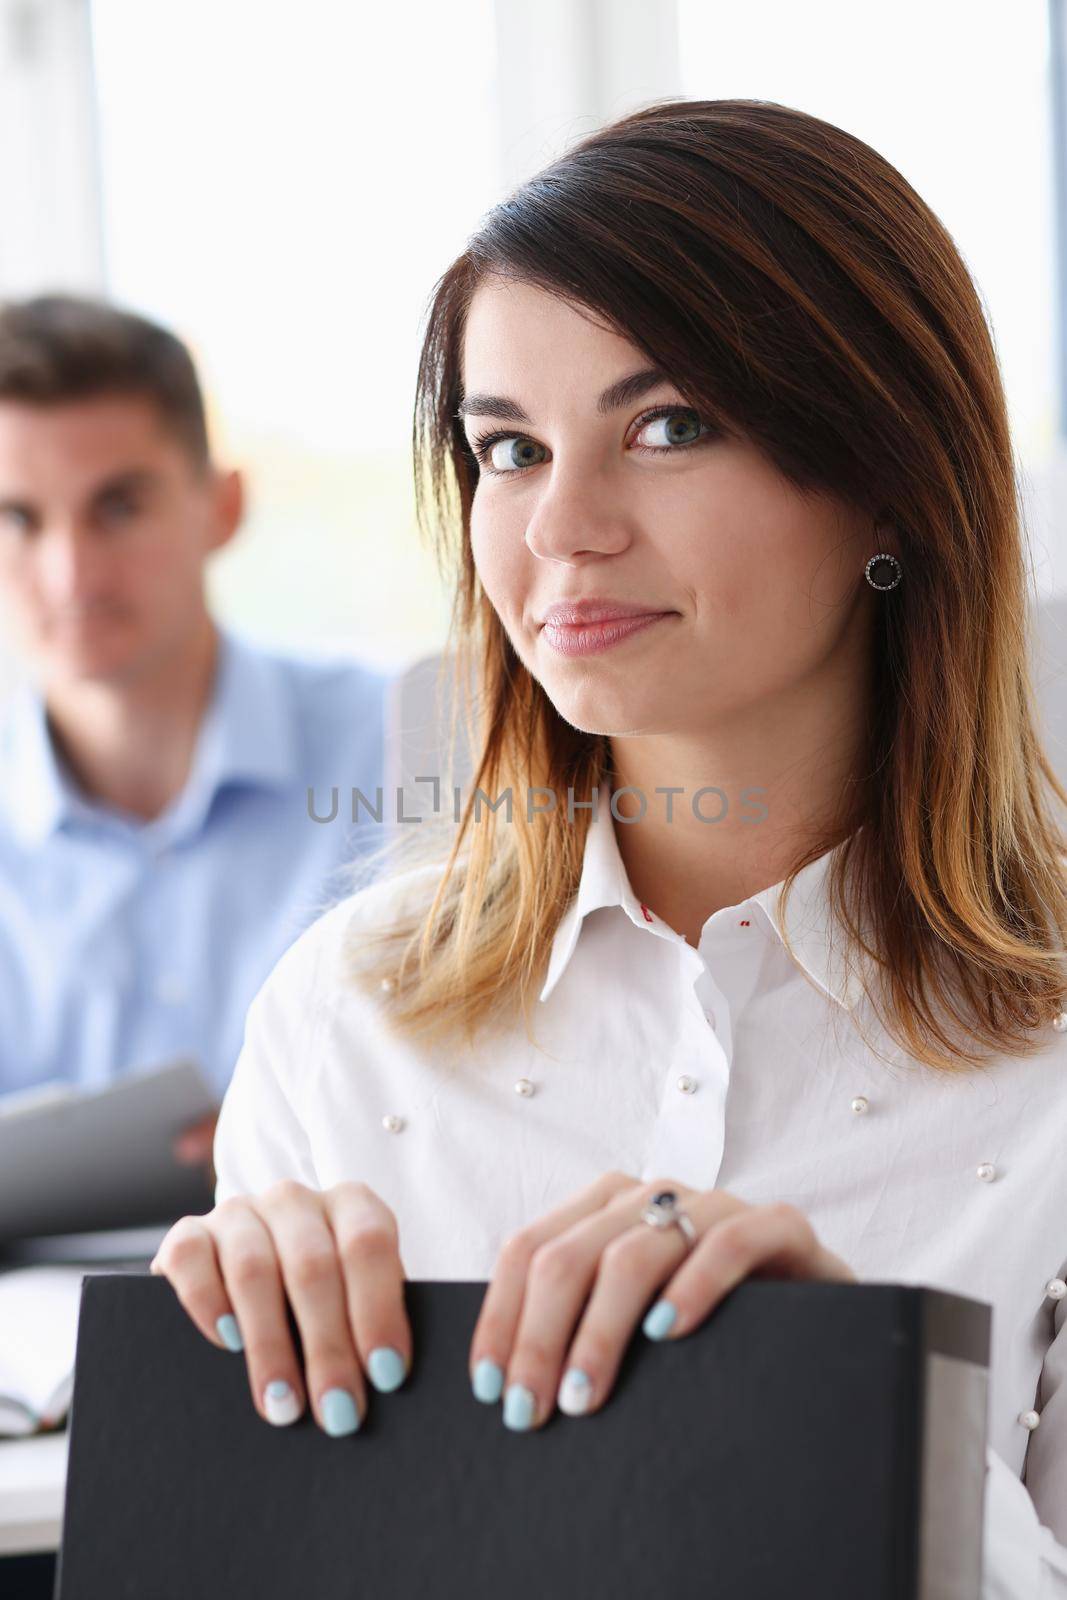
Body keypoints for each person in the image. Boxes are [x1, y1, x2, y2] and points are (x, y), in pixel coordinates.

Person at [151, 99, 1067, 1593]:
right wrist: (198, 1431)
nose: (559, 529)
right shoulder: (343, 1018)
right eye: (505, 448)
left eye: (665, 427)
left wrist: (853, 1404)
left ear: (889, 476)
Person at [0, 295, 389, 1175]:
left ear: (222, 507)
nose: (71, 574)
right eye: (18, 518)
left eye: (118, 506)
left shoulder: (409, 750)